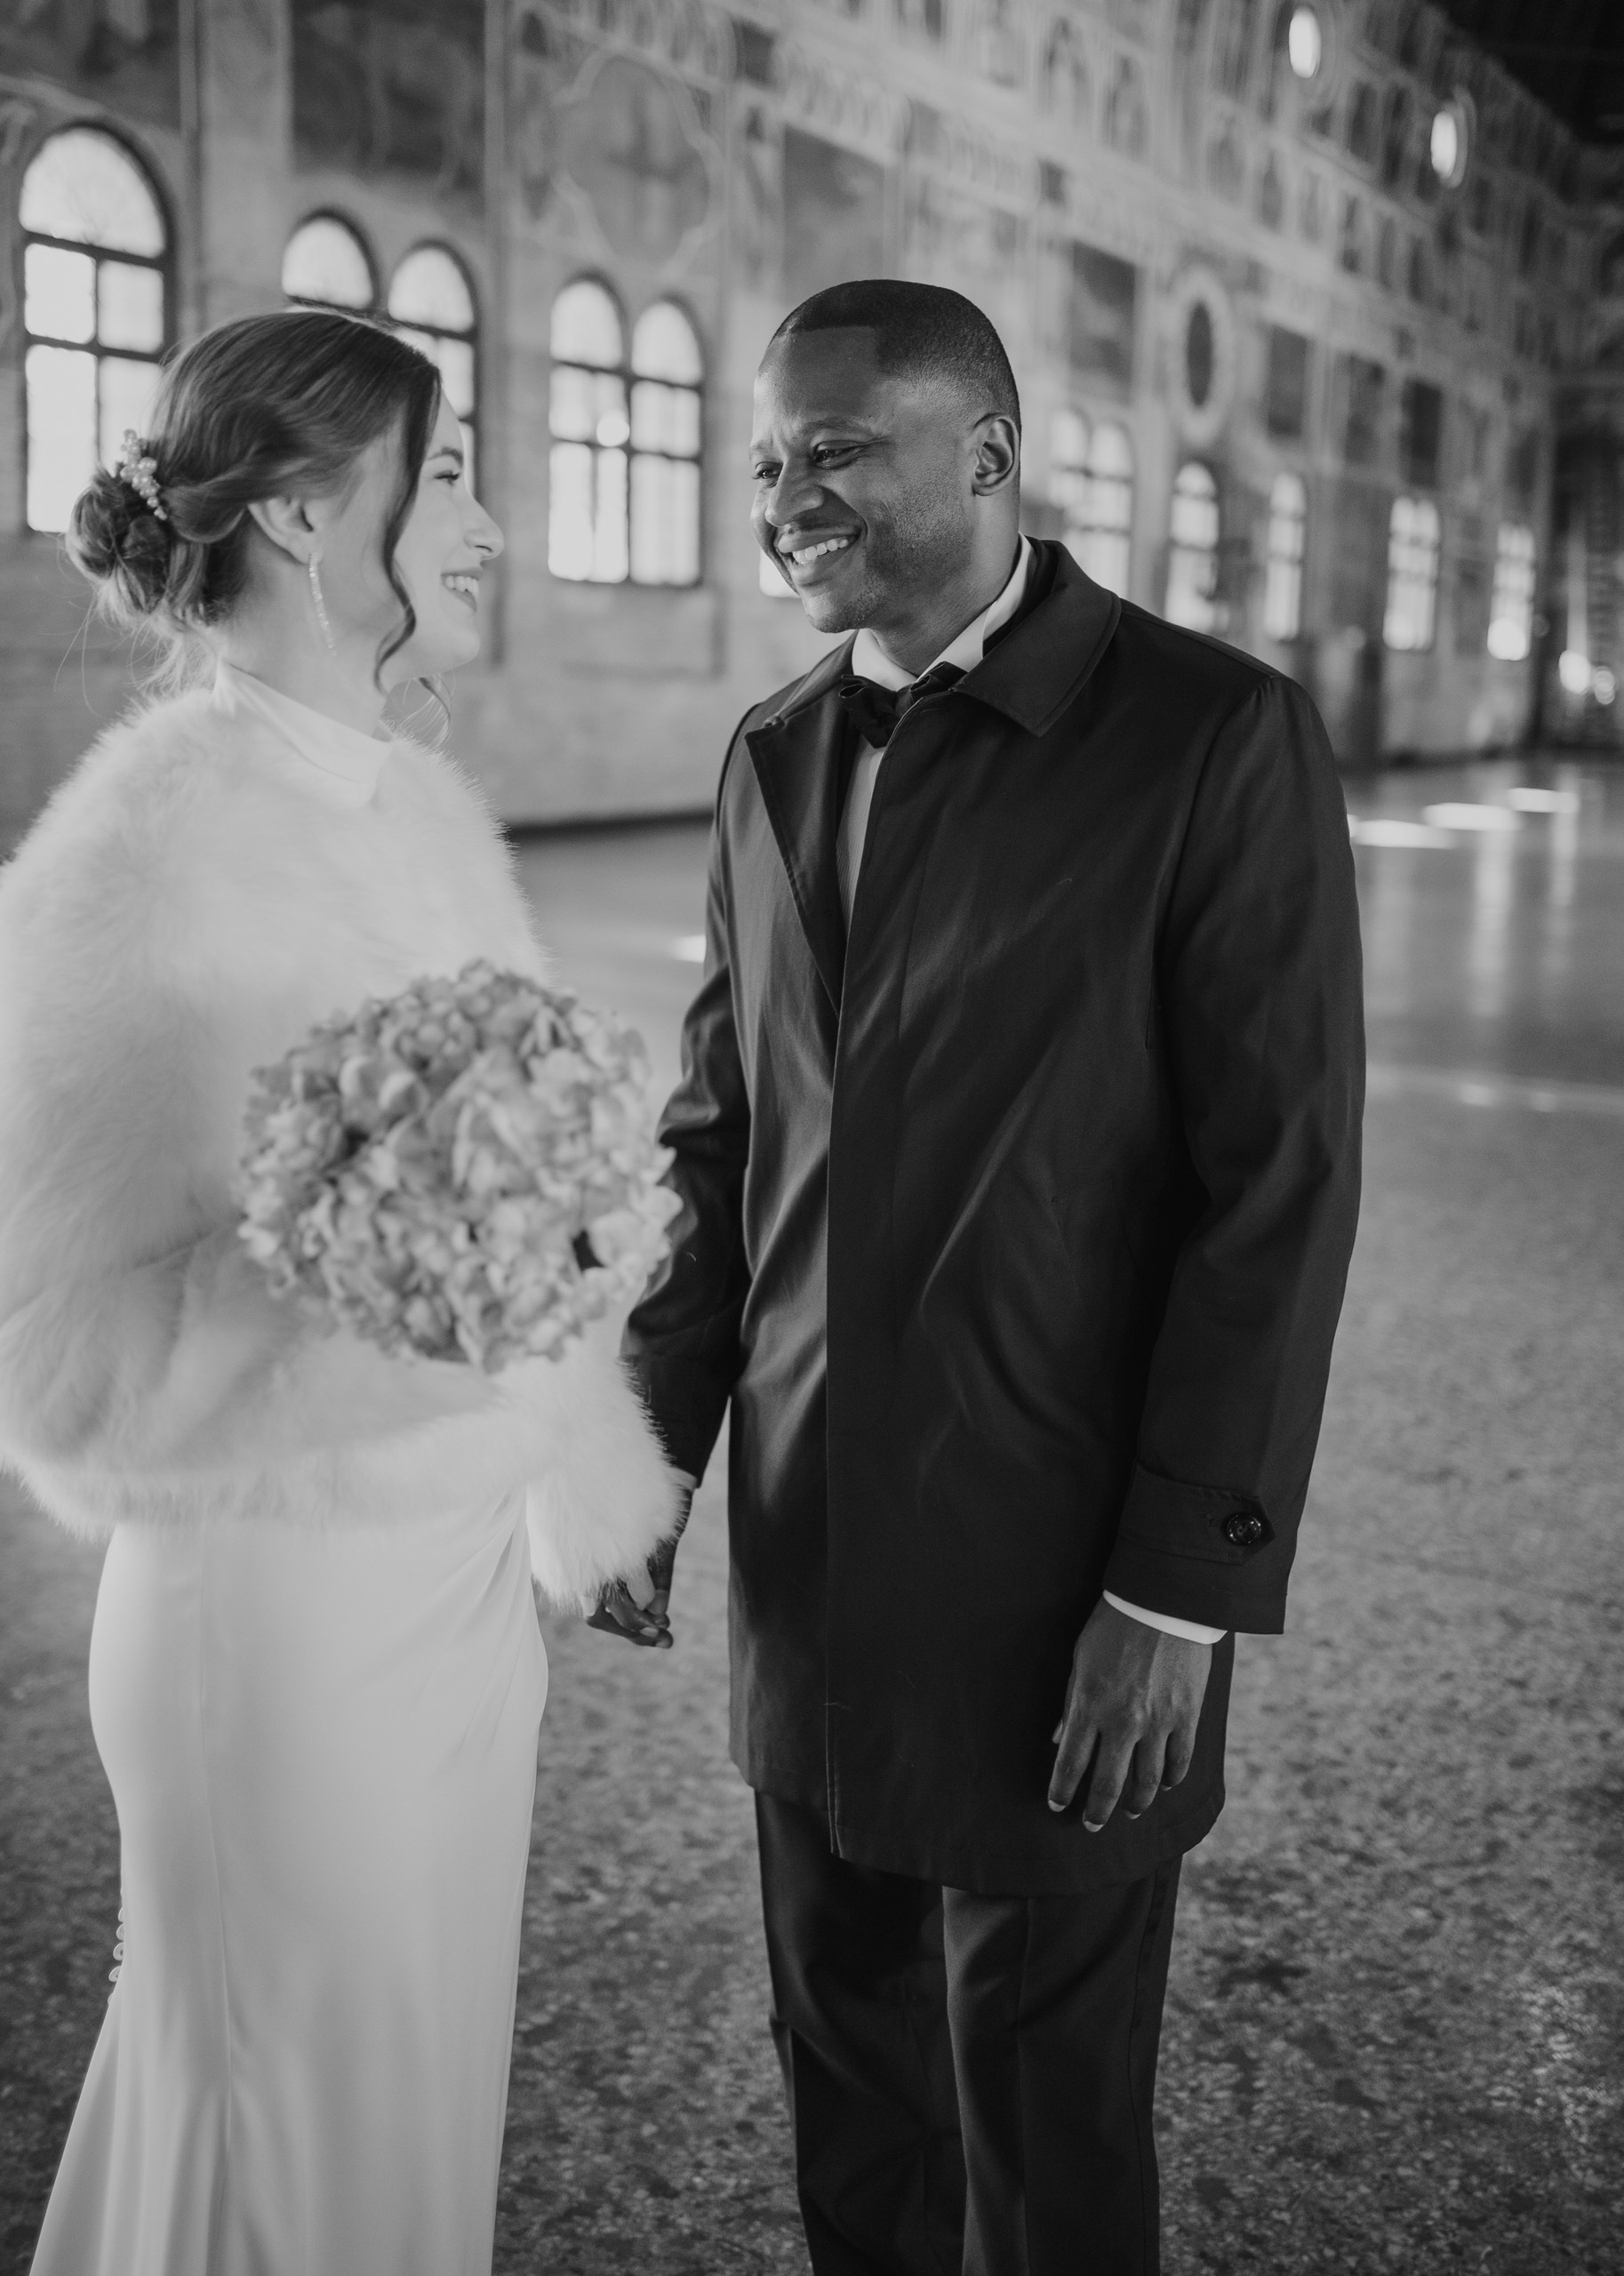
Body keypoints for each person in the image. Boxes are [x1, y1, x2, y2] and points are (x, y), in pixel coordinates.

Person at [608, 281, 1364, 2273]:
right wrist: (636, 1457)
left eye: (834, 449)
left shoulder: (1211, 735)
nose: (782, 492)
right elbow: (719, 1144)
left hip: (1059, 1582)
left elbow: (1269, 1194)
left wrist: (1175, 1586)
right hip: (809, 1555)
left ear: (987, 458)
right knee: (850, 2106)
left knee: (1044, 2137)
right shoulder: (772, 749)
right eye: (767, 455)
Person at [0, 309, 679, 2276]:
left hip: (448, 1589)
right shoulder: (148, 846)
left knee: (398, 2120)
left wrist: (554, 1244)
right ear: (307, 516)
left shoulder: (405, 801)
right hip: (280, 1610)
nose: (481, 520)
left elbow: (494, 1192)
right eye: (444, 472)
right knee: (279, 2138)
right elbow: (54, 1340)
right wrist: (365, 1273)